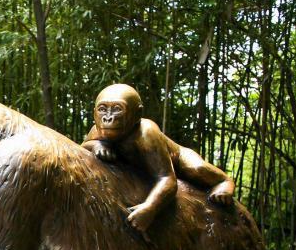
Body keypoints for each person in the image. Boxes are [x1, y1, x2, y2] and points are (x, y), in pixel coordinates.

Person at [82, 84, 235, 231]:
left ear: (137, 114)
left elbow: (167, 179)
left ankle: (224, 181)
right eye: (103, 109)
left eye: (117, 110)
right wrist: (97, 146)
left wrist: (150, 208)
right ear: (94, 112)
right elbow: (83, 148)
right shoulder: (97, 130)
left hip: (178, 159)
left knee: (196, 169)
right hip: (139, 170)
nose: (108, 118)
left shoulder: (146, 134)